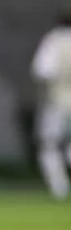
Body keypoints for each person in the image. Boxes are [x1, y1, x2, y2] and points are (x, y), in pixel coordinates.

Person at [31, 13, 71, 200]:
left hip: (58, 102)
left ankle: (60, 188)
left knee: (49, 145)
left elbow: (43, 71)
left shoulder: (54, 41)